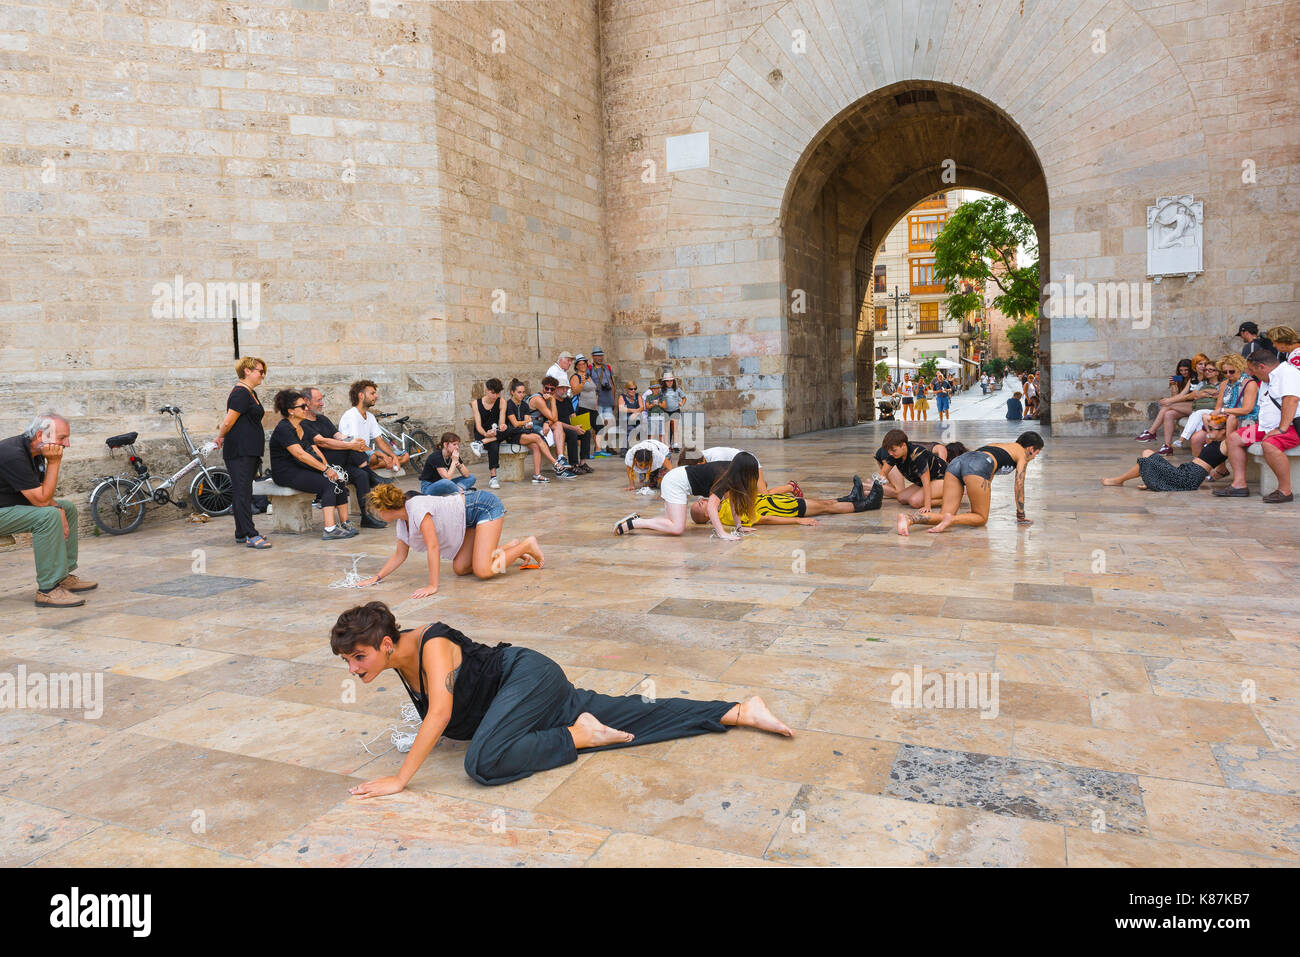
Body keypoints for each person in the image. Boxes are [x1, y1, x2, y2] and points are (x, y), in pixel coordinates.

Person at [333, 602, 792, 794]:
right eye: (349, 661)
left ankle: (578, 735)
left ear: (387, 644)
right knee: (635, 714)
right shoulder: (397, 658)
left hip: (527, 676)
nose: (355, 669)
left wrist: (399, 778)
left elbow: (440, 713)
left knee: (483, 762)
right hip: (522, 700)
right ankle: (738, 710)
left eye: (359, 657)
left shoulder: (431, 645)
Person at [358, 484, 543, 597]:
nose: (377, 515)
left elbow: (433, 547)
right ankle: (512, 547)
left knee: (483, 571)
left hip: (483, 507)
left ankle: (527, 545)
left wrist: (432, 585)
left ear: (386, 508)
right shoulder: (402, 522)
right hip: (467, 521)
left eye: (377, 510)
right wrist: (377, 577)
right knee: (461, 568)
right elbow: (400, 554)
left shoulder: (416, 508)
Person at [0, 414, 97, 607]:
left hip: (7, 508)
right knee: (48, 515)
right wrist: (54, 463)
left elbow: (39, 493)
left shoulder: (34, 453)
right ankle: (48, 589)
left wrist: (59, 508)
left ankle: (62, 576)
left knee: (66, 508)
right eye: (62, 438)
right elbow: (42, 500)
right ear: (40, 435)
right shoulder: (12, 454)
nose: (67, 444)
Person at [897, 432, 1044, 536]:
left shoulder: (1001, 445)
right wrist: (1020, 514)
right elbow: (1019, 484)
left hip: (958, 462)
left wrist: (974, 489)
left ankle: (909, 519)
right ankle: (952, 519)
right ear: (1031, 449)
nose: (1035, 457)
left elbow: (987, 469)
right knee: (981, 518)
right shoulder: (1022, 454)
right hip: (977, 466)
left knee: (944, 515)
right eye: (1037, 453)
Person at [1214, 348, 1300, 503]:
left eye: (1253, 370)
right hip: (1267, 427)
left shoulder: (1287, 373)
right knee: (1234, 439)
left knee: (1270, 445)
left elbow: (1291, 400)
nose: (1252, 375)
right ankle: (1239, 485)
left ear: (1262, 367)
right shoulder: (1268, 378)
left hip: (1292, 426)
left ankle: (1285, 490)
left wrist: (1281, 429)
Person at [269, 390, 357, 540]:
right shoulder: (284, 428)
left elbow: (315, 451)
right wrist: (325, 470)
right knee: (327, 484)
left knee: (339, 479)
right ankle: (329, 529)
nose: (306, 408)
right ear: (291, 411)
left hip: (300, 468)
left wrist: (329, 467)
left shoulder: (303, 426)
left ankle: (345, 522)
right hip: (286, 472)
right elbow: (300, 454)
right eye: (302, 406)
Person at [301, 386, 385, 529]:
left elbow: (338, 436)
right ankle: (374, 476)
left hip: (340, 462)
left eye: (322, 399)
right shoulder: (303, 423)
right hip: (323, 463)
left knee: (361, 475)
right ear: (306, 402)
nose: (322, 403)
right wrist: (350, 445)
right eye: (319, 400)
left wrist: (353, 440)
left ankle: (367, 517)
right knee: (349, 448)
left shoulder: (322, 419)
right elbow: (322, 441)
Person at [214, 355, 269, 549]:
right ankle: (250, 534)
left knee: (243, 491)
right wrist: (220, 436)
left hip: (249, 451)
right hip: (239, 451)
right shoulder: (240, 394)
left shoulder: (250, 393)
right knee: (243, 493)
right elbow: (229, 421)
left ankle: (240, 532)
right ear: (247, 371)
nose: (263, 375)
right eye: (260, 371)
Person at [688, 476, 882, 529]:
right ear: (707, 516)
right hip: (783, 509)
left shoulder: (723, 505)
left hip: (776, 502)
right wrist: (797, 521)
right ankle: (867, 504)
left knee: (823, 504)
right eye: (701, 505)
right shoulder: (726, 515)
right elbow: (762, 519)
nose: (703, 500)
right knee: (826, 507)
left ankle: (854, 497)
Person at [614, 457, 732, 537]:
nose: (701, 500)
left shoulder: (730, 474)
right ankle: (635, 523)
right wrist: (722, 533)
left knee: (671, 524)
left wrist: (740, 527)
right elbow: (712, 507)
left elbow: (733, 503)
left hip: (676, 479)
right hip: (675, 482)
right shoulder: (727, 476)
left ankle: (637, 521)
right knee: (677, 528)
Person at [1136, 355, 1214, 454]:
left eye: (1205, 364)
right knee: (1169, 414)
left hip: (1202, 407)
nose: (1203, 366)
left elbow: (1190, 396)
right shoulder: (1193, 378)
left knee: (1167, 406)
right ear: (1195, 366)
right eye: (1200, 364)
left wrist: (1169, 401)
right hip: (1191, 406)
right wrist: (1173, 388)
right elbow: (1182, 394)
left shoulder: (1208, 377)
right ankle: (1167, 447)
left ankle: (1151, 432)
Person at [874, 429, 968, 510]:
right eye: (889, 451)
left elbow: (926, 482)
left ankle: (952, 500)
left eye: (893, 450)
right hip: (929, 481)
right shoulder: (894, 455)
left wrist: (927, 506)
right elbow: (883, 473)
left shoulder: (917, 455)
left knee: (914, 501)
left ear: (903, 445)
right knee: (901, 497)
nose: (890, 453)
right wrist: (877, 486)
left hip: (945, 479)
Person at [339, 380, 410, 474]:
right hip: (355, 453)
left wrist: (393, 456)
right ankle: (375, 465)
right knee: (373, 457)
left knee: (406, 456)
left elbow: (379, 441)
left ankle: (373, 467)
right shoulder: (351, 415)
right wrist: (382, 456)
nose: (376, 396)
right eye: (372, 393)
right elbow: (356, 445)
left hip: (367, 452)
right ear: (361, 395)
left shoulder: (370, 416)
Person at [503, 378, 563, 483]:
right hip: (512, 434)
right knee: (537, 437)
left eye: (523, 392)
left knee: (536, 447)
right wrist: (524, 422)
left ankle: (537, 475)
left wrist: (525, 423)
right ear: (512, 392)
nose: (521, 395)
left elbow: (527, 421)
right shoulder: (509, 405)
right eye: (519, 392)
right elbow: (515, 424)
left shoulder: (525, 405)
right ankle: (555, 463)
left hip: (524, 432)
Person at [1102, 445, 1229, 491]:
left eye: (1214, 428)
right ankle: (1152, 481)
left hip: (1187, 479)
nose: (1210, 429)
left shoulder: (1226, 443)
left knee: (1146, 463)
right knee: (1147, 452)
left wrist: (1227, 414)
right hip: (1183, 471)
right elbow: (1205, 417)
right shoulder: (1215, 440)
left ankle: (1118, 480)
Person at [530, 376, 585, 474]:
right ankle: (557, 465)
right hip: (531, 426)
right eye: (547, 388)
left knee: (559, 426)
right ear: (542, 387)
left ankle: (561, 458)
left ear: (555, 390)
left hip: (543, 425)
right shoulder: (538, 399)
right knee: (565, 432)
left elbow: (553, 419)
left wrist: (547, 423)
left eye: (552, 389)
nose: (549, 391)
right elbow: (553, 417)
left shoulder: (552, 399)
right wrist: (553, 401)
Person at [469, 379, 507, 490]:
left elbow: (501, 423)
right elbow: (478, 426)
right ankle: (493, 477)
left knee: (509, 429)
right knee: (494, 444)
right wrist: (486, 434)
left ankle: (479, 444)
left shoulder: (502, 402)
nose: (495, 396)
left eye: (497, 393)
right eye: (493, 393)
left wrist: (501, 427)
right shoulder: (476, 403)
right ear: (486, 390)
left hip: (496, 432)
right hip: (482, 433)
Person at [570, 355, 607, 456]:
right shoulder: (575, 377)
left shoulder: (588, 375)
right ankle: (585, 455)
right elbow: (574, 391)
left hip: (592, 407)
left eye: (584, 363)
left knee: (600, 427)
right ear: (576, 366)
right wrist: (582, 383)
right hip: (581, 407)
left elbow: (593, 392)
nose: (582, 365)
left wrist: (595, 405)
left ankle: (598, 450)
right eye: (580, 364)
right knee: (584, 432)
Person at [590, 348, 617, 455]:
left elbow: (611, 383)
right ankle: (598, 447)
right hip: (597, 401)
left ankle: (609, 446)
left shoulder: (607, 368)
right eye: (597, 355)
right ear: (592, 356)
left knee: (610, 424)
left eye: (601, 355)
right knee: (598, 424)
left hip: (608, 401)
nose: (599, 357)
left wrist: (613, 399)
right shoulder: (590, 368)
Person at [660, 371, 687, 451]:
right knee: (667, 428)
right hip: (665, 411)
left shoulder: (677, 389)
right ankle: (667, 445)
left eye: (671, 380)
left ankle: (675, 445)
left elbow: (684, 397)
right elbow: (658, 398)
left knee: (675, 428)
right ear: (664, 382)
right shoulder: (662, 390)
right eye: (667, 381)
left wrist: (682, 403)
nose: (669, 382)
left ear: (673, 381)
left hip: (675, 410)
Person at [616, 380, 645, 452]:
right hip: (625, 420)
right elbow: (621, 408)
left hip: (636, 419)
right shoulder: (622, 397)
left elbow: (641, 408)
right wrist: (634, 411)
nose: (633, 390)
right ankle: (624, 449)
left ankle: (642, 449)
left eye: (635, 388)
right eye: (631, 389)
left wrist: (635, 414)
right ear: (627, 389)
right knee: (629, 429)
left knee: (642, 429)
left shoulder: (638, 396)